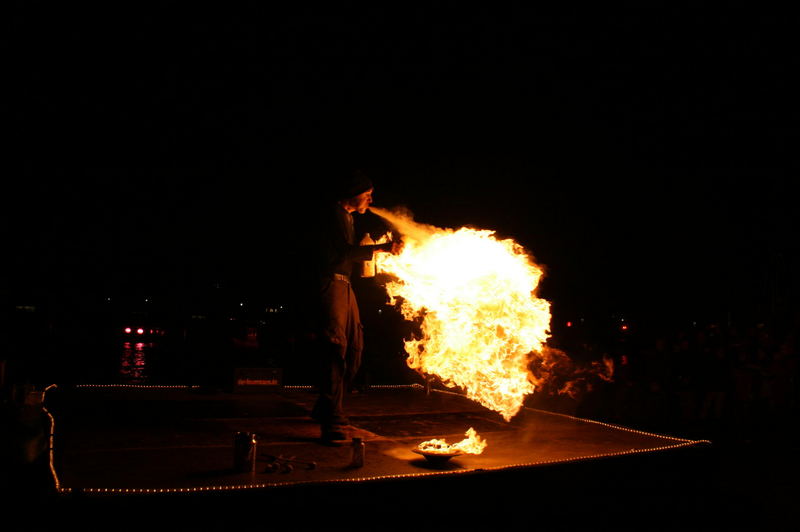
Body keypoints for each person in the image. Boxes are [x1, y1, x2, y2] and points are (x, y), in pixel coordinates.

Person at [309, 169, 401, 442]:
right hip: (330, 285)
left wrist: (373, 249)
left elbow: (348, 254)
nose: (371, 200)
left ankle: (326, 407)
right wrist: (381, 248)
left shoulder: (347, 218)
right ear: (353, 193)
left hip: (344, 285)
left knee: (355, 347)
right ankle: (331, 419)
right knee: (336, 347)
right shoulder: (331, 214)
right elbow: (339, 254)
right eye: (368, 194)